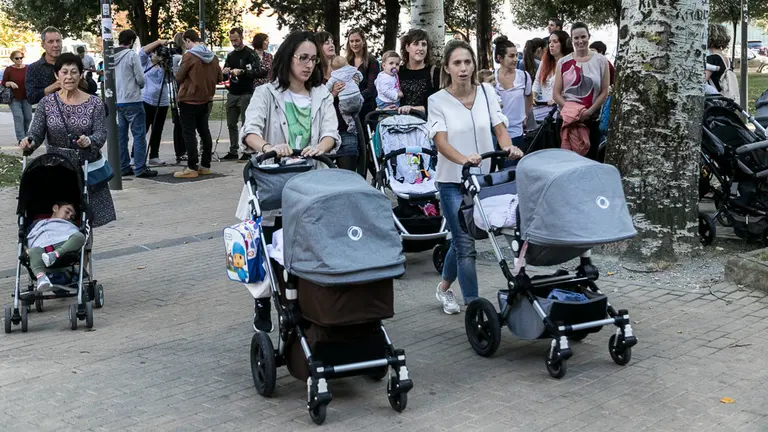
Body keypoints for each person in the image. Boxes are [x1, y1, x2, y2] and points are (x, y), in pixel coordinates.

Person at [239, 30, 340, 331]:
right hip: (274, 184)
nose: (309, 65)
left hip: (311, 184)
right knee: (267, 246)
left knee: (308, 247)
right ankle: (262, 299)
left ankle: (306, 301)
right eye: (302, 58)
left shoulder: (321, 95)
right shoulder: (266, 94)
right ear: (288, 58)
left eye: (313, 59)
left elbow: (331, 133)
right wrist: (269, 148)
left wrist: (320, 148)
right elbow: (250, 131)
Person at [428, 40, 523, 314]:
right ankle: (474, 308)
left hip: (483, 181)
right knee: (465, 244)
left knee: (463, 240)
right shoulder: (437, 101)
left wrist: (508, 147)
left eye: (467, 62)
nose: (463, 68)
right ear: (447, 67)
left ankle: (443, 287)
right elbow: (440, 142)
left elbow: (499, 128)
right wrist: (464, 160)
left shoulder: (487, 92)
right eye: (457, 63)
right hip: (452, 181)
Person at [19, 53, 116, 230]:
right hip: (57, 169)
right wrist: (29, 142)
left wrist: (89, 140)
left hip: (84, 166)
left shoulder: (95, 103)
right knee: (56, 213)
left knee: (83, 219)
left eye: (74, 72)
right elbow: (36, 132)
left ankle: (83, 247)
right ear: (57, 75)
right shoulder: (46, 103)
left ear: (80, 74)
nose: (69, 77)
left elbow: (101, 134)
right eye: (64, 72)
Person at [553, 22, 610, 160]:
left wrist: (588, 112)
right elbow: (556, 94)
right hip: (567, 121)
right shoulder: (563, 62)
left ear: (589, 36)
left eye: (583, 37)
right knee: (566, 162)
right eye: (576, 38)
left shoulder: (601, 61)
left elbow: (604, 91)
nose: (580, 41)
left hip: (591, 120)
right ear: (571, 40)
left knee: (589, 162)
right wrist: (574, 113)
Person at [174, 29, 223, 179]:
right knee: (204, 131)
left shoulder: (189, 56)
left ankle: (191, 167)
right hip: (206, 99)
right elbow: (220, 77)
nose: (185, 46)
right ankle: (205, 165)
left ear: (189, 40)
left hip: (188, 99)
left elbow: (179, 77)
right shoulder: (212, 57)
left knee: (189, 133)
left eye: (185, 43)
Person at [114, 29, 157, 178]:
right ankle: (140, 168)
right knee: (139, 135)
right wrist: (140, 85)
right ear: (132, 41)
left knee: (122, 136)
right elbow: (141, 79)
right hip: (133, 100)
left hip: (118, 101)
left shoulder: (110, 56)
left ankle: (123, 166)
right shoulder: (131, 55)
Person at [315, 31, 359, 172]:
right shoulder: (314, 73)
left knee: (349, 175)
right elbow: (314, 102)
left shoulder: (344, 67)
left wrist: (355, 83)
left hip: (345, 128)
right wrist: (333, 93)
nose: (331, 45)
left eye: (332, 42)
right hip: (322, 134)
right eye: (326, 42)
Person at [26, 201, 86, 291]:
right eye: (67, 212)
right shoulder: (37, 223)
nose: (69, 216)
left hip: (63, 246)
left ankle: (54, 254)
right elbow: (28, 237)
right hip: (41, 249)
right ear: (55, 208)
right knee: (33, 251)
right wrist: (26, 248)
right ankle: (42, 278)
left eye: (72, 216)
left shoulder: (70, 225)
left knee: (80, 236)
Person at [222, 28, 261, 161]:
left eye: (236, 40)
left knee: (246, 123)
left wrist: (242, 71)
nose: (234, 43)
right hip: (232, 92)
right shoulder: (231, 55)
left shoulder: (250, 53)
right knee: (231, 123)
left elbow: (258, 71)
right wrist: (225, 72)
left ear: (241, 38)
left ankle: (247, 150)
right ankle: (233, 150)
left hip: (246, 93)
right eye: (232, 40)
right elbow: (224, 74)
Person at [494, 36, 533, 153]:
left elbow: (529, 96)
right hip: (495, 133)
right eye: (511, 56)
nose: (516, 59)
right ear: (499, 58)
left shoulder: (524, 76)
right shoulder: (491, 78)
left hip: (517, 132)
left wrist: (526, 115)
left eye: (516, 55)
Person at [140, 38, 172, 167]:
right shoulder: (145, 62)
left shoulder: (165, 64)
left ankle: (154, 155)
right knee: (143, 129)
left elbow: (170, 80)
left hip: (162, 101)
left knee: (157, 130)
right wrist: (158, 42)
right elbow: (142, 52)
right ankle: (136, 156)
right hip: (147, 100)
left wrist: (165, 65)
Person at [398, 28, 441, 115]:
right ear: (407, 47)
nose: (420, 48)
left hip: (427, 122)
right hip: (398, 121)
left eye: (424, 44)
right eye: (416, 44)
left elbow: (440, 104)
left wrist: (413, 109)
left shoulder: (435, 72)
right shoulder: (398, 72)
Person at [532, 30, 571, 121]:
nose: (551, 45)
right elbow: (537, 82)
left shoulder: (570, 63)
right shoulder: (544, 62)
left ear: (563, 44)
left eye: (555, 42)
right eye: (549, 42)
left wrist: (558, 99)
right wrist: (533, 96)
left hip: (563, 112)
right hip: (545, 112)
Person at [345, 28, 380, 125]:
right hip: (349, 109)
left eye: (357, 41)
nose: (354, 44)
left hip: (367, 109)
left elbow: (372, 89)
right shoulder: (347, 61)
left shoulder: (372, 62)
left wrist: (355, 98)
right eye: (351, 41)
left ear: (363, 41)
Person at [26, 27, 63, 105]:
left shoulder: (71, 64)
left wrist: (80, 81)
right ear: (43, 45)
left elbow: (89, 89)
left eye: (58, 41)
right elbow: (31, 98)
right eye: (50, 42)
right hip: (46, 111)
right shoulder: (33, 68)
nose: (56, 45)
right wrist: (55, 86)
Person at [327, 56, 363, 133]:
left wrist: (328, 90)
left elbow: (327, 87)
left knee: (343, 111)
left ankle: (350, 122)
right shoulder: (352, 70)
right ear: (347, 64)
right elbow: (360, 75)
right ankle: (356, 114)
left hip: (344, 101)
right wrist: (359, 79)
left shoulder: (334, 76)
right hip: (356, 96)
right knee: (360, 100)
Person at [3, 51, 33, 142]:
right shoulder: (9, 70)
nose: (19, 60)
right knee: (19, 118)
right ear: (12, 59)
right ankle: (21, 139)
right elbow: (3, 82)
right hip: (14, 98)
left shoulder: (28, 68)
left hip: (26, 97)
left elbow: (32, 80)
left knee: (28, 117)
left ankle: (25, 136)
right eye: (17, 58)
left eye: (21, 58)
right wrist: (10, 83)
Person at [706, 24, 739, 104]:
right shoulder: (726, 59)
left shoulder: (711, 59)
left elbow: (702, 80)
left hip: (714, 102)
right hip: (726, 99)